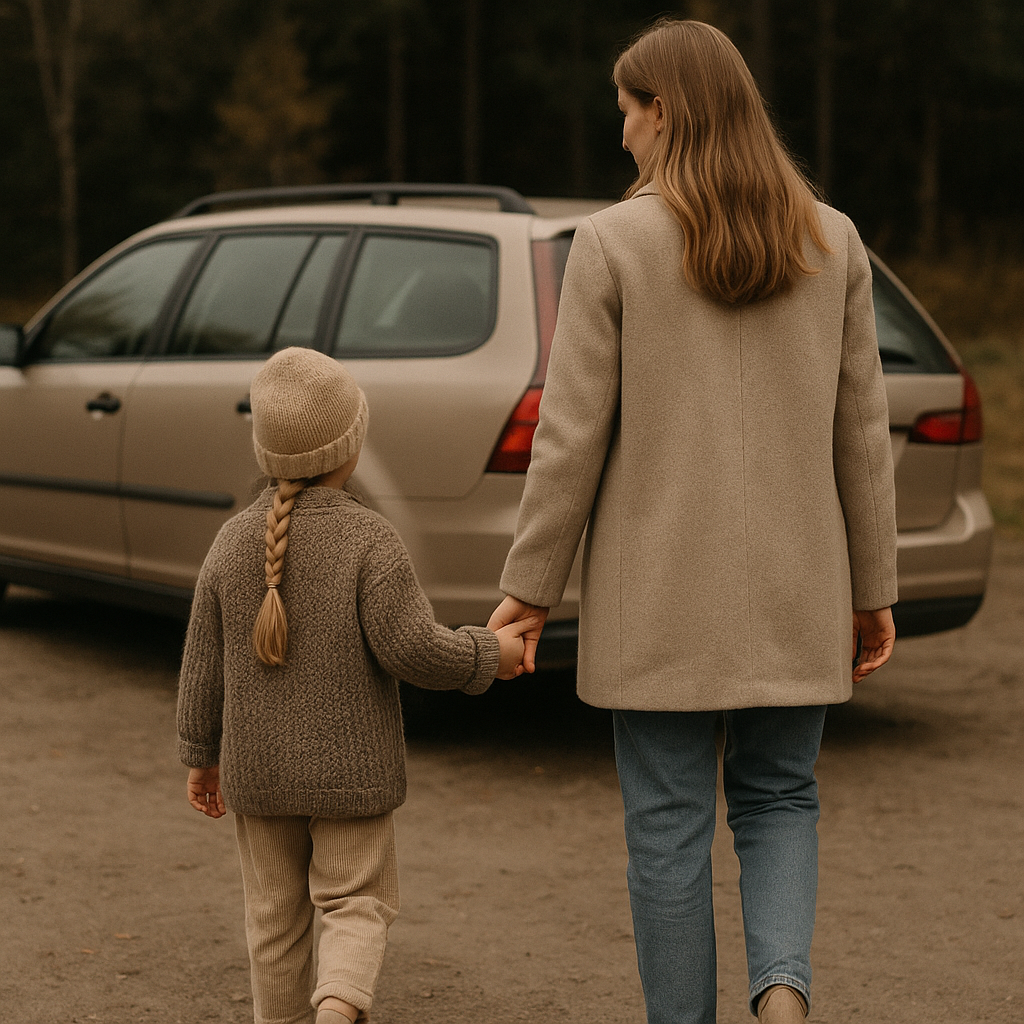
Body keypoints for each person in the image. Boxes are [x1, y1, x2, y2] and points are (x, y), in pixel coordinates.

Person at [489, 18, 897, 1024]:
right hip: (799, 591)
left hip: (659, 598)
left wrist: (524, 593)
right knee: (780, 798)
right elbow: (862, 433)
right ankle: (784, 1001)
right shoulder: (832, 237)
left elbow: (568, 438)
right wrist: (873, 589)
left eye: (626, 110)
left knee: (667, 830)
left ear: (664, 110)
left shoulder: (612, 242)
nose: (619, 131)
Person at [178, 346, 535, 1024]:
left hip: (258, 776)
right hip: (353, 777)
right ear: (351, 446)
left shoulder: (228, 543)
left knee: (273, 920)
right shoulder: (371, 541)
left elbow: (202, 662)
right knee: (355, 902)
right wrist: (491, 653)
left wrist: (201, 755)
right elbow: (413, 649)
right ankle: (339, 1009)